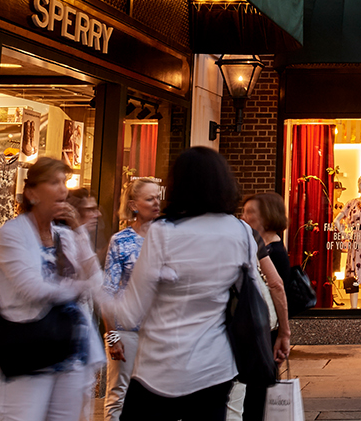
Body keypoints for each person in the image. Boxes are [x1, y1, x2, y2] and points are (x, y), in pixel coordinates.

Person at [102, 147, 265, 420]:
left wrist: (91, 285)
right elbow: (252, 291)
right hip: (216, 365)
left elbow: (131, 310)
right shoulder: (240, 231)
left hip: (160, 369)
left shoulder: (163, 233)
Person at [0, 157, 105, 420]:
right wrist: (77, 288)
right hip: (29, 349)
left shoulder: (65, 235)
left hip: (70, 348)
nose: (63, 189)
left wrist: (78, 230)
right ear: (32, 193)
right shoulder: (13, 233)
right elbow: (32, 288)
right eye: (53, 182)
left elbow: (96, 280)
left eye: (64, 182)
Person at [100, 177, 163, 421]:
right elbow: (108, 292)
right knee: (119, 395)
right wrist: (112, 337)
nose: (156, 202)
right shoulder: (121, 240)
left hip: (161, 332)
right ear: (134, 205)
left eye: (158, 197)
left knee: (158, 397)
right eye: (150, 198)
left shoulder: (169, 238)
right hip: (128, 332)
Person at [235, 192, 294, 421]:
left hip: (264, 331)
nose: (244, 217)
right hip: (260, 329)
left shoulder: (274, 252)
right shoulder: (261, 246)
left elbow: (278, 288)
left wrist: (284, 332)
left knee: (257, 395)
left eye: (250, 212)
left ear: (267, 217)